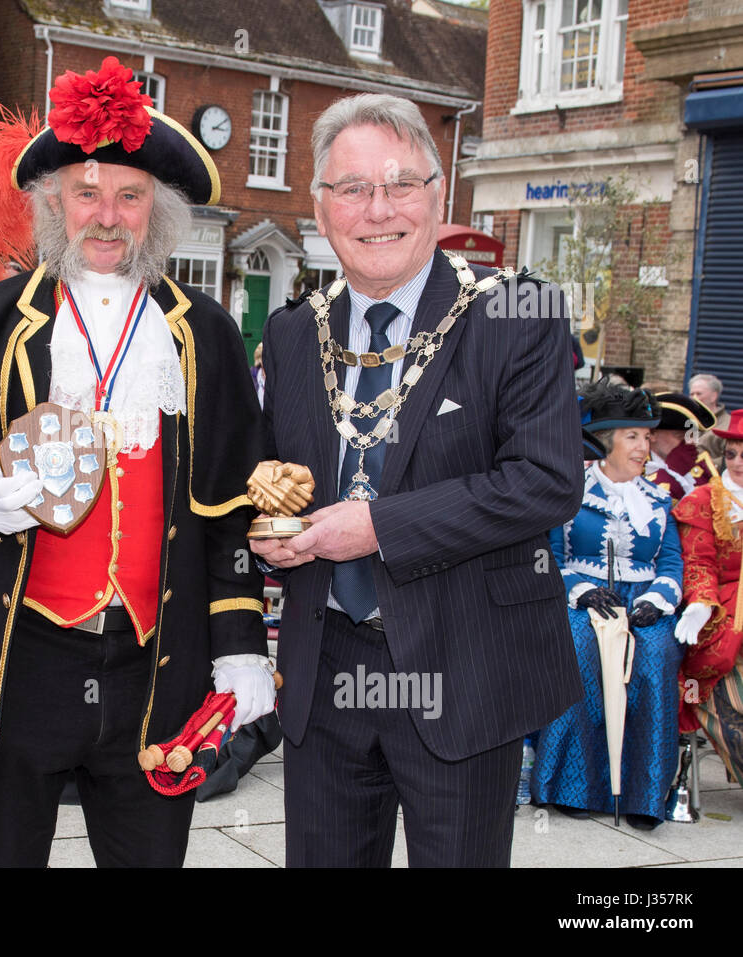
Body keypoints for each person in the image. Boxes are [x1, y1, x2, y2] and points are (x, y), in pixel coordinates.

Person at [0, 56, 272, 867]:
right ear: (54, 206)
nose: (108, 217)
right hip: (20, 663)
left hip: (156, 664)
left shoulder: (202, 335)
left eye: (130, 195)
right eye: (87, 193)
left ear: (158, 210)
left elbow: (236, 501)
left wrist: (241, 642)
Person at [252, 93, 583, 867]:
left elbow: (545, 481)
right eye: (354, 188)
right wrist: (269, 529)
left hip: (463, 666)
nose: (378, 209)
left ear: (440, 195)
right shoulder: (295, 331)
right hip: (326, 669)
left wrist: (376, 527)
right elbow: (277, 476)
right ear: (321, 207)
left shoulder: (516, 316)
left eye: (402, 184)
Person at [531, 381, 685, 829]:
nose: (645, 446)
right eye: (633, 436)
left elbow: (672, 562)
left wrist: (657, 601)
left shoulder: (659, 499)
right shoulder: (571, 492)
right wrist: (583, 590)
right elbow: (548, 557)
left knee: (655, 656)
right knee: (580, 651)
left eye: (647, 437)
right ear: (607, 442)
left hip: (642, 603)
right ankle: (571, 787)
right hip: (581, 597)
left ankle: (644, 794)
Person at [673, 407, 743, 784]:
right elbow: (698, 560)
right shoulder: (706, 500)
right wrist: (700, 601)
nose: (736, 463)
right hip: (723, 616)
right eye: (731, 454)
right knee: (727, 692)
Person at [645, 391, 715, 501]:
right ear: (652, 434)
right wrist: (672, 474)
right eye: (680, 436)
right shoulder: (635, 467)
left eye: (692, 436)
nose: (689, 443)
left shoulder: (703, 470)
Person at [690, 373, 729, 470]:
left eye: (699, 394)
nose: (694, 398)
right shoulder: (686, 422)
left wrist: (702, 464)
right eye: (692, 394)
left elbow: (732, 457)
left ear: (714, 396)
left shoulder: (728, 425)